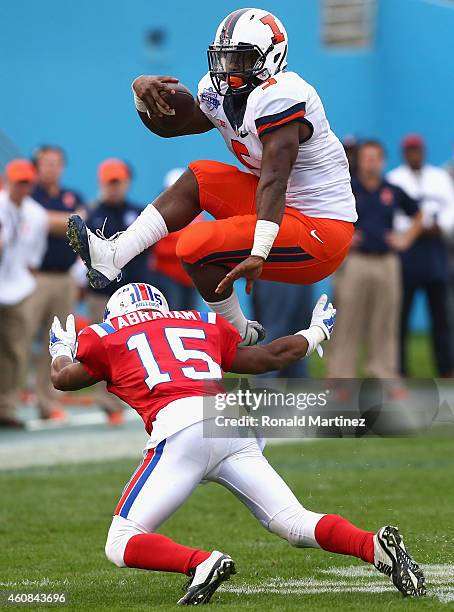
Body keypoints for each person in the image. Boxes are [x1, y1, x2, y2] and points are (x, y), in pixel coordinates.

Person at [49, 283, 425, 604]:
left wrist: (59, 350)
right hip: (231, 422)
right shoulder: (200, 323)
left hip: (181, 429)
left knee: (121, 541)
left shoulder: (107, 335)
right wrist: (316, 333)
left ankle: (201, 562)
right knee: (292, 521)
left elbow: (64, 380)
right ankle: (373, 546)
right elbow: (269, 357)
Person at [67, 8, 357, 348]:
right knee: (200, 176)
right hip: (282, 207)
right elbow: (172, 127)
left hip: (320, 228)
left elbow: (275, 179)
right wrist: (141, 95)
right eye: (223, 58)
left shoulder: (283, 95)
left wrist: (260, 251)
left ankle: (237, 330)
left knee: (194, 245)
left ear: (271, 58)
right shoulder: (221, 92)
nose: (227, 69)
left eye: (239, 60)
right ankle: (114, 255)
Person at [327, 141, 422, 378]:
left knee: (385, 321)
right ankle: (340, 378)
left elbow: (419, 215)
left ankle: (383, 376)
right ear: (359, 160)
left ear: (383, 161)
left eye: (375, 157)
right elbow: (325, 214)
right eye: (366, 157)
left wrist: (405, 240)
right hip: (355, 262)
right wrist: (346, 237)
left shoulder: (391, 190)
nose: (371, 162)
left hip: (387, 262)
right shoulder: (346, 187)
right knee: (347, 321)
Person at [85, 159, 152, 424]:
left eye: (118, 181)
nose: (114, 187)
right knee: (103, 346)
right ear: (102, 183)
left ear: (126, 182)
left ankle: (142, 394)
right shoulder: (92, 214)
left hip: (134, 291)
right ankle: (108, 401)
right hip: (103, 292)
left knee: (138, 343)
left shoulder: (139, 212)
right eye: (109, 182)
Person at [387, 134, 454, 377]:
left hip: (436, 249)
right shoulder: (395, 178)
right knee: (401, 312)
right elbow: (394, 217)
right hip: (408, 250)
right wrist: (418, 227)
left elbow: (450, 209)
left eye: (418, 150)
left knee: (441, 314)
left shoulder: (439, 178)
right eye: (410, 150)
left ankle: (445, 366)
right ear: (404, 153)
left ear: (423, 151)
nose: (414, 154)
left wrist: (440, 227)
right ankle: (400, 367)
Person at [27, 145, 86, 420]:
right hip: (33, 277)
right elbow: (39, 221)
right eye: (46, 163)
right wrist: (62, 220)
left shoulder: (70, 194)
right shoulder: (28, 194)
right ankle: (9, 399)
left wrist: (51, 220)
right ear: (37, 166)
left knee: (58, 342)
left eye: (56, 163)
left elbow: (81, 223)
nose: (51, 168)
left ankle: (47, 401)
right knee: (19, 339)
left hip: (64, 278)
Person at [0, 160, 48, 428]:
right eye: (18, 182)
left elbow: (33, 257)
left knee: (15, 351)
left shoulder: (37, 214)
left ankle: (6, 408)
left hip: (17, 289)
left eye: (26, 182)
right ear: (8, 181)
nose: (22, 187)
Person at [149, 168, 199, 310]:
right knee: (172, 315)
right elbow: (156, 248)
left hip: (190, 278)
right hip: (168, 276)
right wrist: (186, 248)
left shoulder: (195, 212)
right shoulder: (160, 213)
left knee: (190, 318)